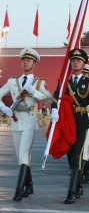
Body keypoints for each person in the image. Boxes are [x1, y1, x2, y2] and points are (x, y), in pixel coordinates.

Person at [51, 48, 89, 204]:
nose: (75, 62)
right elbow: (57, 96)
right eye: (73, 60)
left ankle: (71, 192)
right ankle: (78, 184)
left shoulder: (88, 83)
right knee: (70, 155)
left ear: (83, 64)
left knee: (76, 156)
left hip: (82, 121)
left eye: (79, 61)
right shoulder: (64, 81)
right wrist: (54, 109)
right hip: (67, 121)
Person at [0, 48, 52, 201]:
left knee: (24, 154)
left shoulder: (39, 82)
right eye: (23, 60)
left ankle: (19, 190)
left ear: (34, 64)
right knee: (20, 157)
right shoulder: (12, 81)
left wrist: (34, 92)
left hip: (29, 120)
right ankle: (29, 185)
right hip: (16, 121)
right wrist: (3, 108)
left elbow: (49, 99)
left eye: (28, 60)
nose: (25, 62)